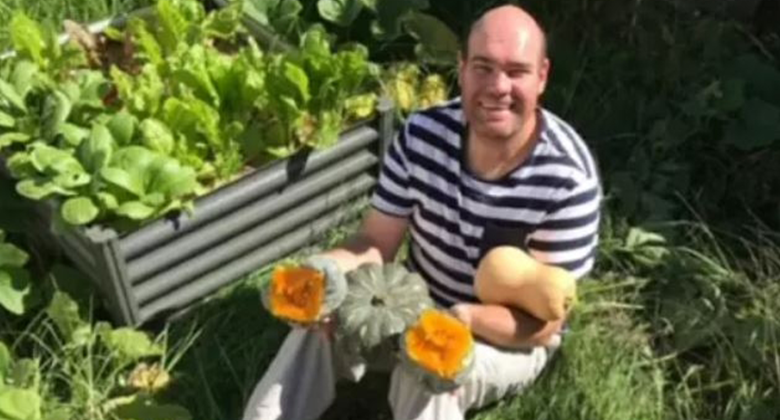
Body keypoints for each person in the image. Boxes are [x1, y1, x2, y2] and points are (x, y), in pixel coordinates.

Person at [242, 4, 601, 420]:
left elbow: (544, 326)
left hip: (503, 339)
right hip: (413, 303)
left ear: (541, 77)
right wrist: (328, 270)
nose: (497, 86)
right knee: (316, 324)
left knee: (428, 368)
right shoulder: (423, 133)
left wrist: (462, 318)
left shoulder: (568, 178)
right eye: (482, 67)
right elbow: (376, 242)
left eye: (516, 71)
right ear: (462, 68)